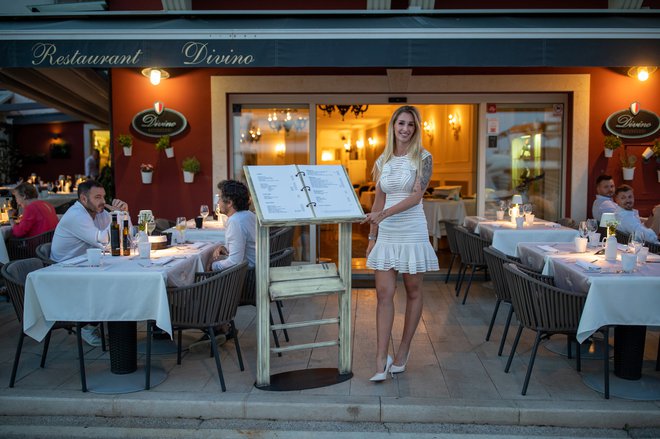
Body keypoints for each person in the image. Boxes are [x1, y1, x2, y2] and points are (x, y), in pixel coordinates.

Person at [362, 105, 439, 382]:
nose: (405, 129)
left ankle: (403, 351)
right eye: (401, 123)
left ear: (415, 129)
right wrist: (373, 236)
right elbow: (378, 200)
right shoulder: (383, 159)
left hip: (412, 230)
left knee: (413, 290)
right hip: (388, 231)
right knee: (384, 294)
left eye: (410, 125)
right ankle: (381, 360)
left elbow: (416, 197)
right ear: (393, 126)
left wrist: (382, 215)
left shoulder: (424, 157)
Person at [50, 180, 130, 347]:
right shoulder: (76, 215)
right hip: (63, 272)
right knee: (112, 282)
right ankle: (87, 326)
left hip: (87, 265)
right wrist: (117, 216)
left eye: (103, 196)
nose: (102, 201)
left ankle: (113, 326)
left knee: (119, 278)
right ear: (84, 199)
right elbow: (104, 240)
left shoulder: (99, 212)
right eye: (97, 197)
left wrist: (124, 214)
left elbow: (126, 238)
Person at [211, 179, 256, 271]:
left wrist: (212, 266)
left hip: (247, 275)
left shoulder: (236, 221)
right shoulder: (249, 215)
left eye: (219, 198)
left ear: (230, 203)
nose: (218, 203)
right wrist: (225, 247)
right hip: (255, 268)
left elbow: (235, 262)